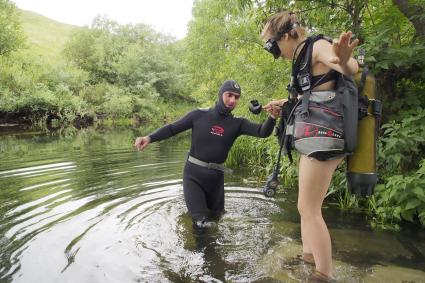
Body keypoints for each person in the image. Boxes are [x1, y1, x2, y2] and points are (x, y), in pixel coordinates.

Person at [261, 11, 359, 282]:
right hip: (315, 135)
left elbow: (348, 68)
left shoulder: (317, 46)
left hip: (325, 136)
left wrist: (343, 59)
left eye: (271, 44)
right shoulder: (303, 56)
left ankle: (323, 274)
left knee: (309, 208)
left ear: (285, 36)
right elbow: (312, 95)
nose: (272, 51)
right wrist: (285, 102)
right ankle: (308, 257)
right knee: (305, 206)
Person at [134, 80, 279, 229]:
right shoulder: (198, 115)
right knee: (201, 224)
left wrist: (272, 117)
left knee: (217, 219)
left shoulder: (238, 123)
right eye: (229, 95)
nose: (232, 100)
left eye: (236, 97)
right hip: (194, 177)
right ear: (221, 94)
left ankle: (216, 250)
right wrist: (149, 138)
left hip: (216, 179)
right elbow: (172, 129)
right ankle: (201, 250)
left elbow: (262, 132)